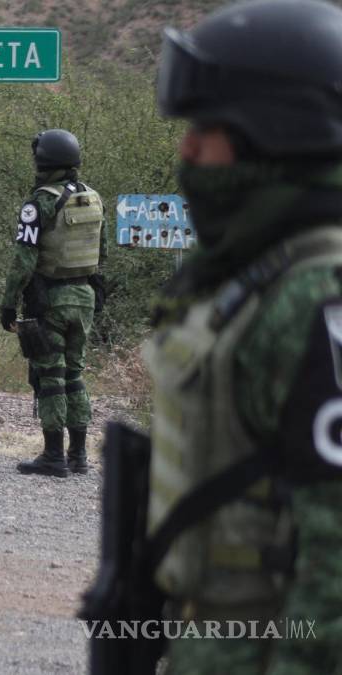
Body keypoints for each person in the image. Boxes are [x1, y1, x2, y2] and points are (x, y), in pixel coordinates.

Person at [135, 0, 342, 670]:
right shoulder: (259, 275)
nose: (187, 151)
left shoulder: (319, 297)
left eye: (207, 128)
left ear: (279, 134)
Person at [0, 129, 106, 478]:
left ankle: (53, 455)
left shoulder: (40, 203)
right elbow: (101, 252)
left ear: (43, 161)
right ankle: (78, 455)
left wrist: (8, 303)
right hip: (85, 298)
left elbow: (23, 260)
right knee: (74, 374)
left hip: (51, 300)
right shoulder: (93, 198)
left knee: (50, 375)